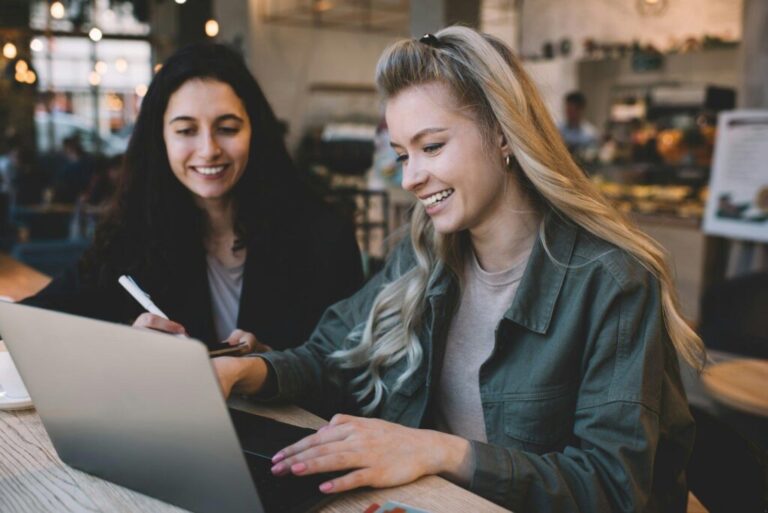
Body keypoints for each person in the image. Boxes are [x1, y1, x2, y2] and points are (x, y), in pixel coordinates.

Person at [213, 27, 704, 512]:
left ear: (502, 133)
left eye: (431, 147)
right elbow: (333, 359)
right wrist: (243, 370)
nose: (410, 178)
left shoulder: (613, 282)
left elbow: (616, 489)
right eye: (403, 155)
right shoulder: (423, 254)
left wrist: (434, 449)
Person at [24, 43, 363, 356]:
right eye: (186, 131)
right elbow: (37, 319)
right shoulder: (131, 234)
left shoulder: (321, 236)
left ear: (255, 133)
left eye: (227, 128)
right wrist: (125, 340)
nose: (208, 150)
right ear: (161, 140)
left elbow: (353, 368)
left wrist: (276, 369)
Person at [558, 90, 599, 159]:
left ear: (580, 110)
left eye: (571, 109)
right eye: (567, 109)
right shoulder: (558, 130)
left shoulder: (590, 134)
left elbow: (592, 157)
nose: (567, 112)